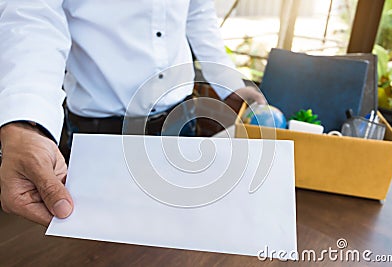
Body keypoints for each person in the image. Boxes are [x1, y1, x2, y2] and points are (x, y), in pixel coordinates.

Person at [0, 1, 265, 226]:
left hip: (181, 121)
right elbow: (32, 19)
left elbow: (198, 13)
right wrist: (26, 123)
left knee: (183, 225)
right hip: (102, 132)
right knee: (103, 237)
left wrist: (229, 84)